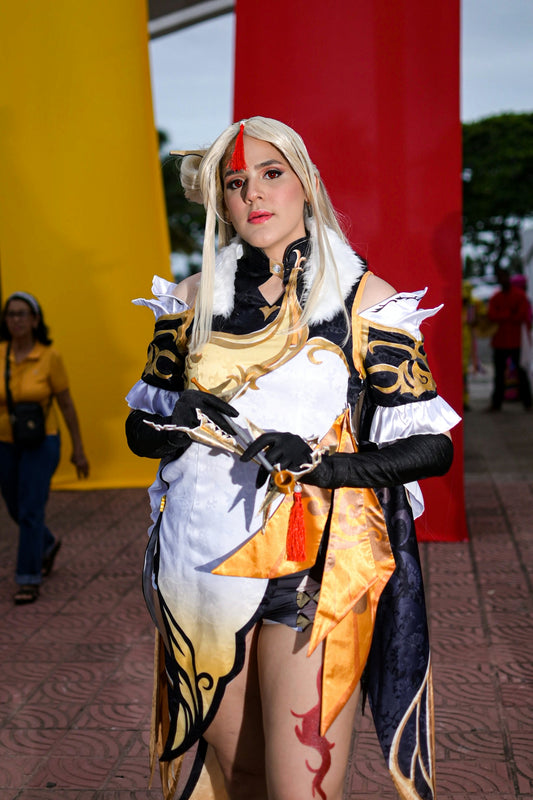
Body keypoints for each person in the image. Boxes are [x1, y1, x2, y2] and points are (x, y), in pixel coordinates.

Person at [126, 117, 460, 800]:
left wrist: (324, 465)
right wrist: (173, 420)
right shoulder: (188, 302)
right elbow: (141, 427)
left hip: (312, 573)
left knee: (299, 789)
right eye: (236, 181)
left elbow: (431, 446)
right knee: (237, 778)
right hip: (195, 573)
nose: (254, 193)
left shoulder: (363, 298)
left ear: (305, 183)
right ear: (220, 200)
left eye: (271, 174)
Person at [0, 292, 90, 605]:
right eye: (11, 314)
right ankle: (47, 544)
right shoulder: (0, 354)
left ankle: (28, 579)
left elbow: (66, 405)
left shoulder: (49, 357)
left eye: (22, 314)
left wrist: (78, 449)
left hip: (42, 442)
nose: (16, 319)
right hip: (6, 445)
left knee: (30, 509)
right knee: (14, 505)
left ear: (35, 320)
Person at [487, 268, 532, 411]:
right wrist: (509, 314)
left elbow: (520, 316)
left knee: (521, 372)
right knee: (499, 374)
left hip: (515, 341)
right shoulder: (496, 297)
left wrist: (503, 315)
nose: (502, 280)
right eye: (499, 277)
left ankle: (528, 403)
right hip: (500, 342)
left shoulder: (519, 295)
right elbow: (491, 316)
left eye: (504, 276)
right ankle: (496, 404)